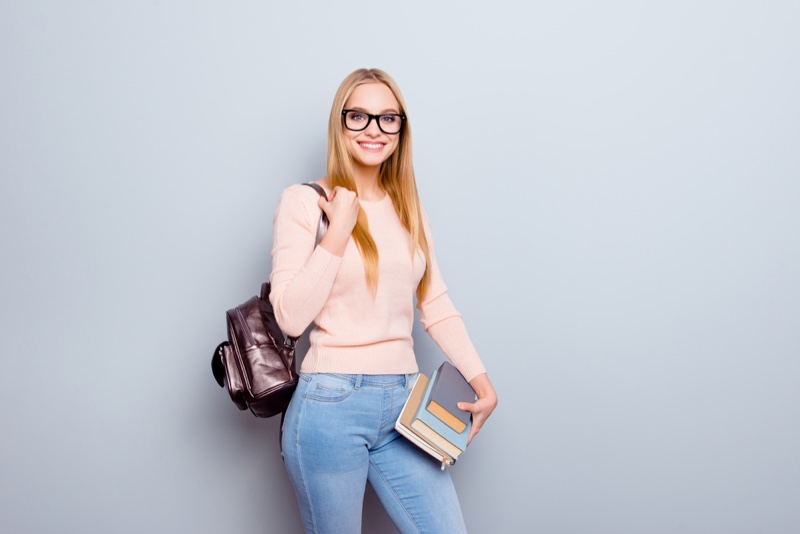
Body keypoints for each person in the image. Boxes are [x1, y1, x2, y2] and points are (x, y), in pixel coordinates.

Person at [270, 68, 497, 534]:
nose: (374, 129)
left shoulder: (407, 208)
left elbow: (435, 304)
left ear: (400, 129)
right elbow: (290, 317)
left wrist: (481, 381)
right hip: (329, 404)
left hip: (404, 402)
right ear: (340, 123)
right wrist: (337, 232)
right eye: (359, 116)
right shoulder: (304, 202)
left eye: (387, 118)